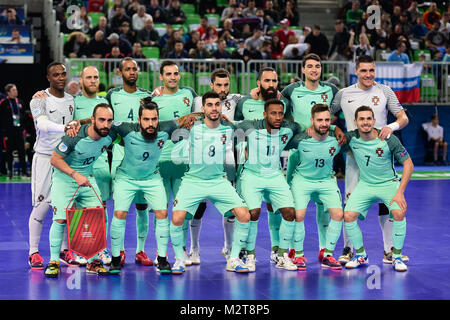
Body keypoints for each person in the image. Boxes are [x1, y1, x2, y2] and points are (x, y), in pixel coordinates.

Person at [330, 55, 410, 265]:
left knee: (387, 204)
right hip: (353, 154)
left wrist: (390, 127)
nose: (368, 75)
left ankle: (389, 250)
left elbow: (403, 117)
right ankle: (349, 248)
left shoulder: (385, 91)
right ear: (356, 71)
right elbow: (327, 116)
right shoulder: (343, 93)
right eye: (364, 70)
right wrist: (336, 128)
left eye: (371, 70)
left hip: (380, 154)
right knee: (349, 203)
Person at [108, 98, 196, 274]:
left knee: (162, 213)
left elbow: (188, 118)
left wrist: (196, 119)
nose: (150, 123)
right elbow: (100, 123)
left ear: (158, 118)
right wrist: (77, 123)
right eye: (146, 119)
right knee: (119, 213)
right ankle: (116, 258)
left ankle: (162, 259)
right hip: (126, 178)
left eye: (154, 119)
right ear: (139, 120)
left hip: (152, 178)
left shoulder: (167, 127)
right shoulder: (125, 128)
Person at [169, 91, 251, 274]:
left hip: (218, 181)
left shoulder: (229, 129)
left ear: (221, 107)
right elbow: (172, 125)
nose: (214, 108)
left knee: (244, 215)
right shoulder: (192, 127)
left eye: (217, 104)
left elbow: (246, 129)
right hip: (193, 181)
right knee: (176, 218)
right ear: (203, 107)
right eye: (210, 105)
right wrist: (194, 116)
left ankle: (234, 258)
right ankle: (180, 259)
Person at [281, 53, 343, 263]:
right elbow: (276, 106)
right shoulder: (292, 90)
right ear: (303, 70)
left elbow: (333, 114)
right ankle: (291, 249)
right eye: (310, 66)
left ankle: (324, 249)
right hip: (298, 151)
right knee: (293, 205)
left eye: (317, 66)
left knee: (325, 207)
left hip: (323, 147)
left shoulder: (331, 90)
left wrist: (333, 127)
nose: (314, 70)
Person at [44, 103, 116, 278]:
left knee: (98, 216)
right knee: (60, 219)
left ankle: (93, 261)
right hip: (65, 177)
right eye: (101, 120)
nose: (105, 125)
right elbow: (54, 159)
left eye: (109, 120)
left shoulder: (111, 134)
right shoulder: (74, 136)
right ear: (92, 120)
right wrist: (75, 175)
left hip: (87, 177)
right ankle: (54, 261)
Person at [343, 106, 414, 272]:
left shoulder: (388, 138)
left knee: (399, 212)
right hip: (365, 184)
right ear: (355, 122)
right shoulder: (351, 138)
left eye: (369, 119)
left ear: (374, 121)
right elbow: (331, 137)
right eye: (361, 119)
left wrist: (400, 192)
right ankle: (360, 254)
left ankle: (396, 256)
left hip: (388, 183)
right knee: (348, 215)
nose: (365, 122)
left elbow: (408, 164)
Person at [235, 99, 300, 272]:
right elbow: (232, 127)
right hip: (251, 175)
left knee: (290, 213)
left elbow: (302, 130)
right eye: (273, 113)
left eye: (280, 113)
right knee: (253, 214)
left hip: (275, 175)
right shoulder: (251, 126)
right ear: (265, 114)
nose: (277, 117)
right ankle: (250, 255)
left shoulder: (289, 128)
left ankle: (282, 255)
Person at [189, 68, 242, 263]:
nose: (222, 89)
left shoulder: (236, 100)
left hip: (227, 160)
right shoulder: (197, 101)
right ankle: (195, 248)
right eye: (218, 85)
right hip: (202, 160)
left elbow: (257, 97)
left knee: (230, 209)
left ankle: (229, 247)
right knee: (199, 207)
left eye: (226, 84)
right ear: (211, 85)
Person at [27, 62, 77, 270]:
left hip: (65, 158)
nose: (60, 77)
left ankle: (65, 250)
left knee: (65, 206)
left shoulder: (71, 99)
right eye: (56, 74)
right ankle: (34, 252)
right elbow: (42, 124)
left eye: (63, 74)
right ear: (48, 77)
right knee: (42, 206)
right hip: (45, 158)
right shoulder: (38, 100)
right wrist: (63, 128)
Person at [106, 58, 154, 266]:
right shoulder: (112, 95)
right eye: (128, 69)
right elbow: (105, 121)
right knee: (121, 206)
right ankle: (120, 250)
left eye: (135, 69)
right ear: (120, 72)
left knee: (142, 206)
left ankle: (141, 251)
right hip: (120, 153)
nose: (132, 72)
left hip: (143, 155)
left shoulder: (147, 96)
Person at [151, 60, 198, 265]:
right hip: (160, 161)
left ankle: (183, 250)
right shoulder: (154, 97)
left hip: (184, 161)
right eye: (168, 74)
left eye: (176, 73)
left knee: (184, 210)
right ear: (161, 77)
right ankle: (161, 253)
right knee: (160, 211)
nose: (173, 77)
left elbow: (209, 106)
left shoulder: (189, 94)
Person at [287, 104, 345, 270]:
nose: (324, 123)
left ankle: (327, 254)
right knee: (299, 215)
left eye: (327, 120)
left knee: (338, 214)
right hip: (302, 180)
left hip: (326, 180)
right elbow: (291, 159)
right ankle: (297, 254)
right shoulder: (300, 139)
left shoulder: (337, 139)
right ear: (312, 121)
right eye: (319, 120)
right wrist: (288, 183)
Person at [0, 84, 28, 179]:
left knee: (22, 152)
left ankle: (24, 172)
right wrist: (4, 133)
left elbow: (24, 117)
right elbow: (2, 119)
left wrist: (24, 130)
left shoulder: (20, 102)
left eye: (16, 89)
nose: (16, 91)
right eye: (14, 90)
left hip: (19, 131)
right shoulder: (4, 103)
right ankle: (10, 172)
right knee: (9, 153)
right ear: (8, 92)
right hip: (9, 132)